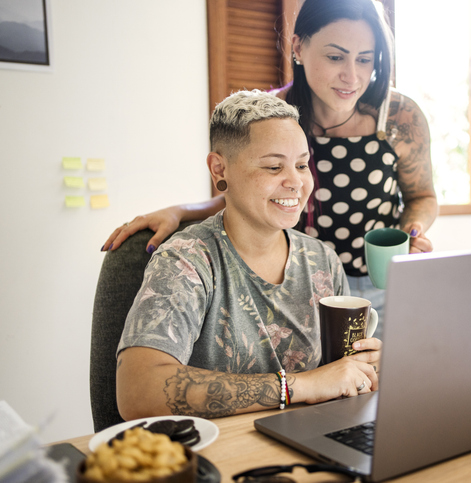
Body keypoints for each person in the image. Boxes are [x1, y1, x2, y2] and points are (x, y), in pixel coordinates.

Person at [102, 0, 437, 324]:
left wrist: (411, 234)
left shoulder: (399, 118)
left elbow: (422, 196)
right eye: (336, 57)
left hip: (376, 284)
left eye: (365, 60)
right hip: (294, 277)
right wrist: (179, 212)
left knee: (376, 379)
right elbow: (245, 195)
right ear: (298, 48)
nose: (352, 76)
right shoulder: (275, 116)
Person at [116, 90, 381, 420]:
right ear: (219, 169)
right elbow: (138, 391)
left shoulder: (322, 261)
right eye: (273, 167)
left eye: (302, 164)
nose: (296, 182)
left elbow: (336, 381)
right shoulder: (186, 261)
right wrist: (300, 386)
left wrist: (363, 371)